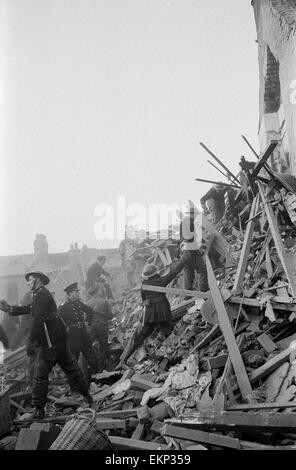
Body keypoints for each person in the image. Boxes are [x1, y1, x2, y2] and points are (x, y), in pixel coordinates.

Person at [0, 271, 92, 420]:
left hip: (51, 342)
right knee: (72, 368)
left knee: (40, 375)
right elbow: (29, 309)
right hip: (58, 339)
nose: (28, 283)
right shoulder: (40, 294)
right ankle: (88, 397)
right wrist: (10, 309)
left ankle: (38, 410)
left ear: (37, 280)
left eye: (30, 280)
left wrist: (31, 340)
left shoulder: (41, 295)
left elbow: (38, 319)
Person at [121, 259, 184, 365]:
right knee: (168, 329)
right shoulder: (160, 281)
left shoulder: (144, 285)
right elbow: (173, 272)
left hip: (149, 314)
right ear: (156, 273)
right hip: (162, 312)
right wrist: (183, 260)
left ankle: (124, 359)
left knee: (141, 336)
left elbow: (144, 300)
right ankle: (170, 355)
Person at [58, 282, 97, 382]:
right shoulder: (63, 306)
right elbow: (58, 320)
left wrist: (88, 322)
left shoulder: (79, 303)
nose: (78, 293)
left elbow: (89, 310)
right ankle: (75, 385)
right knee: (73, 361)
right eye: (76, 292)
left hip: (84, 334)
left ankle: (94, 380)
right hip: (73, 337)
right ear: (70, 293)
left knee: (92, 359)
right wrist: (64, 331)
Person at [179, 203, 209, 293]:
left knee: (188, 272)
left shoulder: (183, 222)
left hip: (184, 251)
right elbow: (190, 238)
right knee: (202, 269)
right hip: (191, 251)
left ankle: (188, 294)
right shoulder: (191, 222)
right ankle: (203, 292)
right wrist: (198, 249)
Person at [87, 277, 114, 372]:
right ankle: (100, 369)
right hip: (102, 325)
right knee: (103, 347)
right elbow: (110, 315)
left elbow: (86, 318)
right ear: (97, 291)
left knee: (88, 347)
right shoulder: (104, 301)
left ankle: (90, 368)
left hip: (91, 326)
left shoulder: (88, 303)